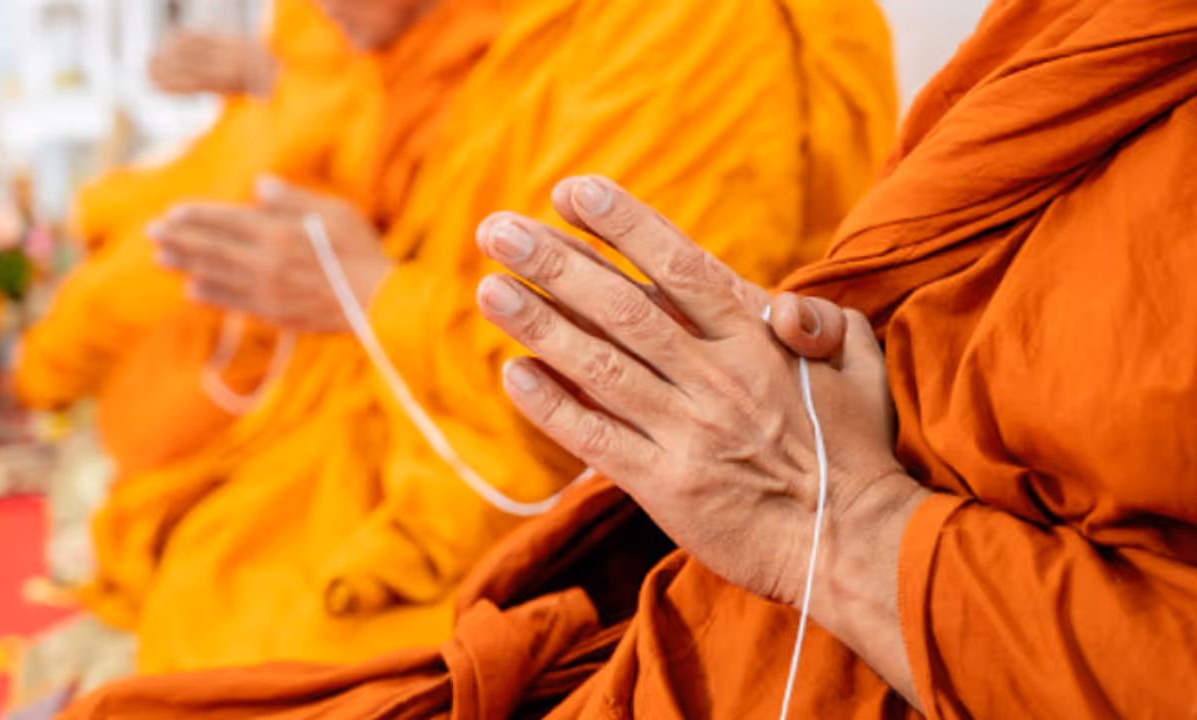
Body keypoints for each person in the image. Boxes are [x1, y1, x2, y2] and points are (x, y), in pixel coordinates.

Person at [60, 0, 1197, 717]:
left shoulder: (691, 30)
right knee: (200, 578)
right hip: (482, 455)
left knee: (223, 652)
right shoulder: (485, 44)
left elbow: (594, 400)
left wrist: (843, 521)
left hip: (716, 532)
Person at [67, 0, 897, 678]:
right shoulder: (514, 31)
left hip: (578, 492)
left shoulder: (689, 29)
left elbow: (628, 386)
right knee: (200, 543)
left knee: (237, 634)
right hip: (428, 401)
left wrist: (370, 291)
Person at [14, 0, 356, 415]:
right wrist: (251, 69)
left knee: (100, 298)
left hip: (293, 161)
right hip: (248, 138)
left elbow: (352, 94)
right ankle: (35, 376)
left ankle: (33, 382)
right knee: (97, 207)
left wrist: (270, 73)